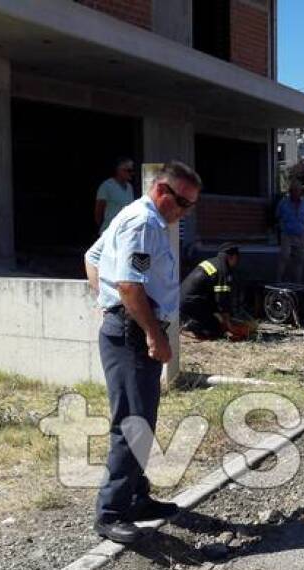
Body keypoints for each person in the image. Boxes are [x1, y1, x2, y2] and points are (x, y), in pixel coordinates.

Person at [84, 161, 202, 544]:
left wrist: (105, 300)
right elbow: (131, 286)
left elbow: (94, 257)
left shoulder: (142, 219)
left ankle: (136, 497)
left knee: (142, 420)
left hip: (132, 325)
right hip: (134, 332)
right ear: (162, 192)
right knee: (132, 422)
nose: (185, 214)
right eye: (183, 204)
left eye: (190, 207)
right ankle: (111, 512)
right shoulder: (142, 224)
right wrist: (151, 332)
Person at [180, 243, 252, 341]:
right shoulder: (223, 270)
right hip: (192, 303)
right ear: (232, 257)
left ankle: (196, 322)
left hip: (184, 298)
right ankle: (192, 327)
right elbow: (222, 300)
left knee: (216, 318)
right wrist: (228, 325)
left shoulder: (213, 262)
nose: (237, 262)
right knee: (216, 331)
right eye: (237, 259)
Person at [276, 181, 304, 282]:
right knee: (284, 257)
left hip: (300, 235)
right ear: (290, 191)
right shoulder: (283, 203)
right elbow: (277, 216)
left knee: (300, 259)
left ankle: (297, 283)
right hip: (287, 234)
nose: (296, 192)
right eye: (294, 190)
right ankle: (278, 281)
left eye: (298, 190)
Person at [95, 157, 136, 235]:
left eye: (132, 171)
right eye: (129, 171)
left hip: (125, 232)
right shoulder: (106, 186)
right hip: (109, 231)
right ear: (119, 170)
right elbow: (98, 211)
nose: (132, 173)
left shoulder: (129, 187)